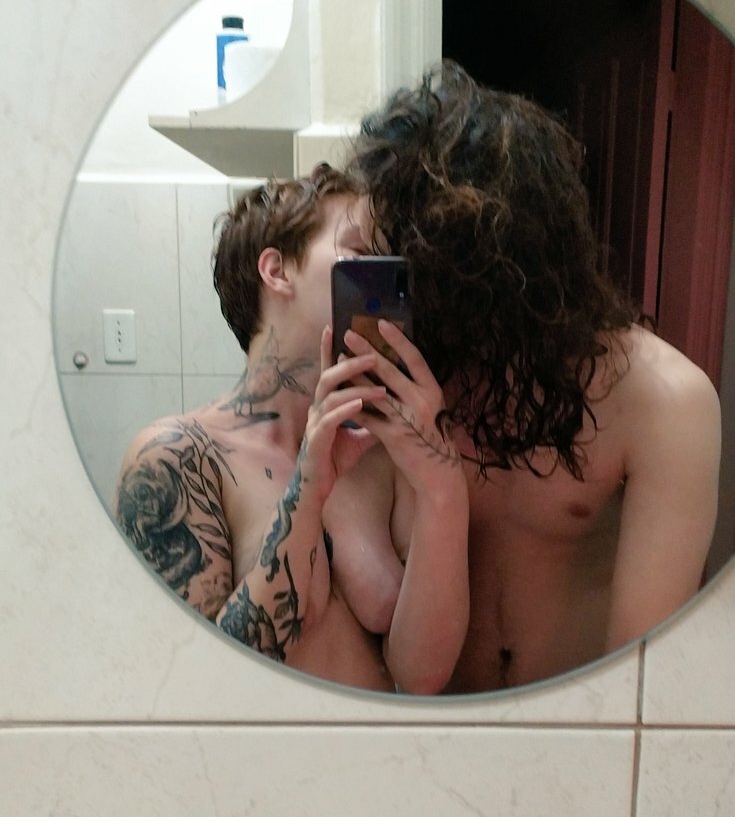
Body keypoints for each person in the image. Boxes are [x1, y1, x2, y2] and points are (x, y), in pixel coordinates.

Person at [344, 61, 722, 692]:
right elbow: (397, 654)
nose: (385, 289)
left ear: (474, 266)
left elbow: (641, 674)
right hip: (434, 720)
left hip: (582, 729)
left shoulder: (665, 400)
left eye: (398, 264)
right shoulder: (402, 384)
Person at [113, 164, 469, 694]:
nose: (386, 277)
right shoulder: (180, 456)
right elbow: (201, 686)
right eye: (361, 252)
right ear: (277, 271)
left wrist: (443, 488)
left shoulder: (386, 453)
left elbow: (420, 678)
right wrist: (309, 489)